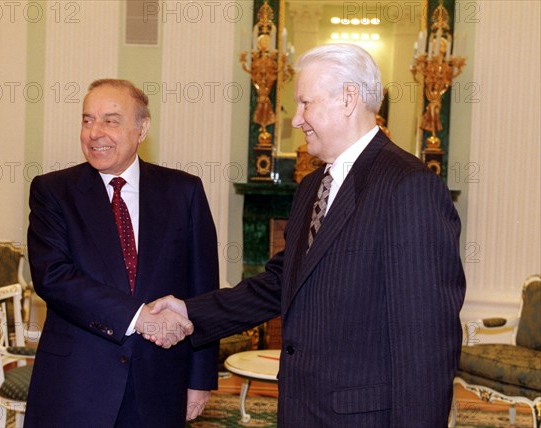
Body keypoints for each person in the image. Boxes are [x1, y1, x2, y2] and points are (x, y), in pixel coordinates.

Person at [148, 44, 466, 427]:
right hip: (302, 410)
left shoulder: (408, 186)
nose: (296, 119)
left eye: (305, 103)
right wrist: (189, 310)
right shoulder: (313, 185)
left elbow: (425, 340)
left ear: (348, 99)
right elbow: (281, 283)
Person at [25, 79, 219, 427]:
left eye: (110, 120)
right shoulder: (52, 192)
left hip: (158, 382)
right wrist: (138, 316)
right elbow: (54, 276)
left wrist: (200, 379)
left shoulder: (183, 192)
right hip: (76, 383)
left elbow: (202, 289)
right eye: (87, 120)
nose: (95, 132)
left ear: (142, 128)